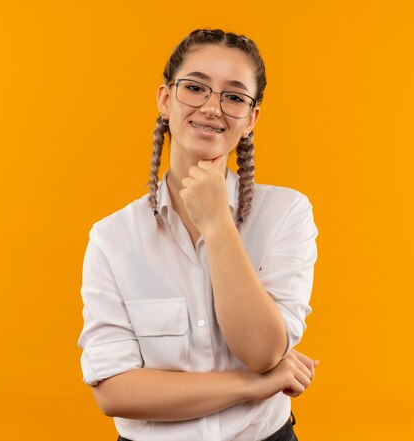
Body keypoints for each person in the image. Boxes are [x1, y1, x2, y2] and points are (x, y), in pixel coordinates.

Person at [77, 28, 320, 441]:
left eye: (234, 96)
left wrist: (218, 225)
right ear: (165, 99)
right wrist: (252, 385)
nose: (211, 107)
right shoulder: (112, 238)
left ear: (250, 119)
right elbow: (115, 391)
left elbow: (262, 351)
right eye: (195, 87)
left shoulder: (286, 214)